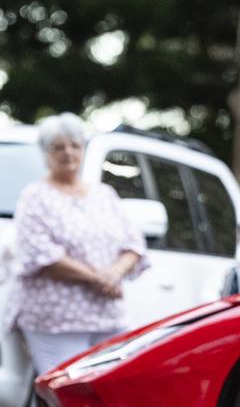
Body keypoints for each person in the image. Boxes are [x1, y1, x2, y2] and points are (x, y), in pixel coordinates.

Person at [5, 113, 147, 375]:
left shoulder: (104, 195)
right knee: (69, 391)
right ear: (46, 154)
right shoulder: (34, 197)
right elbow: (42, 256)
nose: (67, 153)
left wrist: (114, 273)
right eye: (58, 147)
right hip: (55, 320)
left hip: (108, 315)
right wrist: (99, 280)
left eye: (74, 145)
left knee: (116, 383)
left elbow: (134, 244)